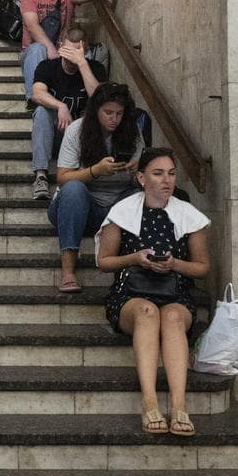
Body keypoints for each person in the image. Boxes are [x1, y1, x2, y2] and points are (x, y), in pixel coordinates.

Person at [96, 148, 211, 437]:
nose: (166, 180)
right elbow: (104, 262)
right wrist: (135, 258)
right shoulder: (122, 212)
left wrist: (175, 264)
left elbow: (202, 267)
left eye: (171, 174)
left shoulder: (189, 215)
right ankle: (149, 403)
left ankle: (179, 405)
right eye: (158, 173)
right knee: (148, 312)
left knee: (171, 317)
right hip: (130, 295)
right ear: (141, 177)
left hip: (176, 293)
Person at [48, 84, 141, 293]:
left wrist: (137, 175)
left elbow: (139, 183)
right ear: (96, 111)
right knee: (73, 189)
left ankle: (135, 274)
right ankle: (68, 272)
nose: (113, 119)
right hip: (79, 206)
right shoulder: (77, 130)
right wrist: (95, 171)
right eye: (108, 113)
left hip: (115, 209)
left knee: (140, 195)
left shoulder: (131, 133)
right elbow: (62, 177)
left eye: (119, 113)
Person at [19, 0, 115, 102]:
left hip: (62, 51)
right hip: (34, 53)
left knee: (84, 53)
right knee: (38, 48)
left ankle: (84, 101)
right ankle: (33, 98)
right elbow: (32, 26)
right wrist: (50, 49)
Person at [29, 25, 106, 200]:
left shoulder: (95, 68)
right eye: (68, 51)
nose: (70, 58)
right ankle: (41, 175)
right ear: (60, 46)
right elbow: (37, 93)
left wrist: (82, 64)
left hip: (81, 138)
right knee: (41, 112)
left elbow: (100, 99)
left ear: (85, 50)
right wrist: (60, 106)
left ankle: (80, 175)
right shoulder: (48, 66)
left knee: (91, 116)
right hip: (56, 133)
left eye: (76, 53)